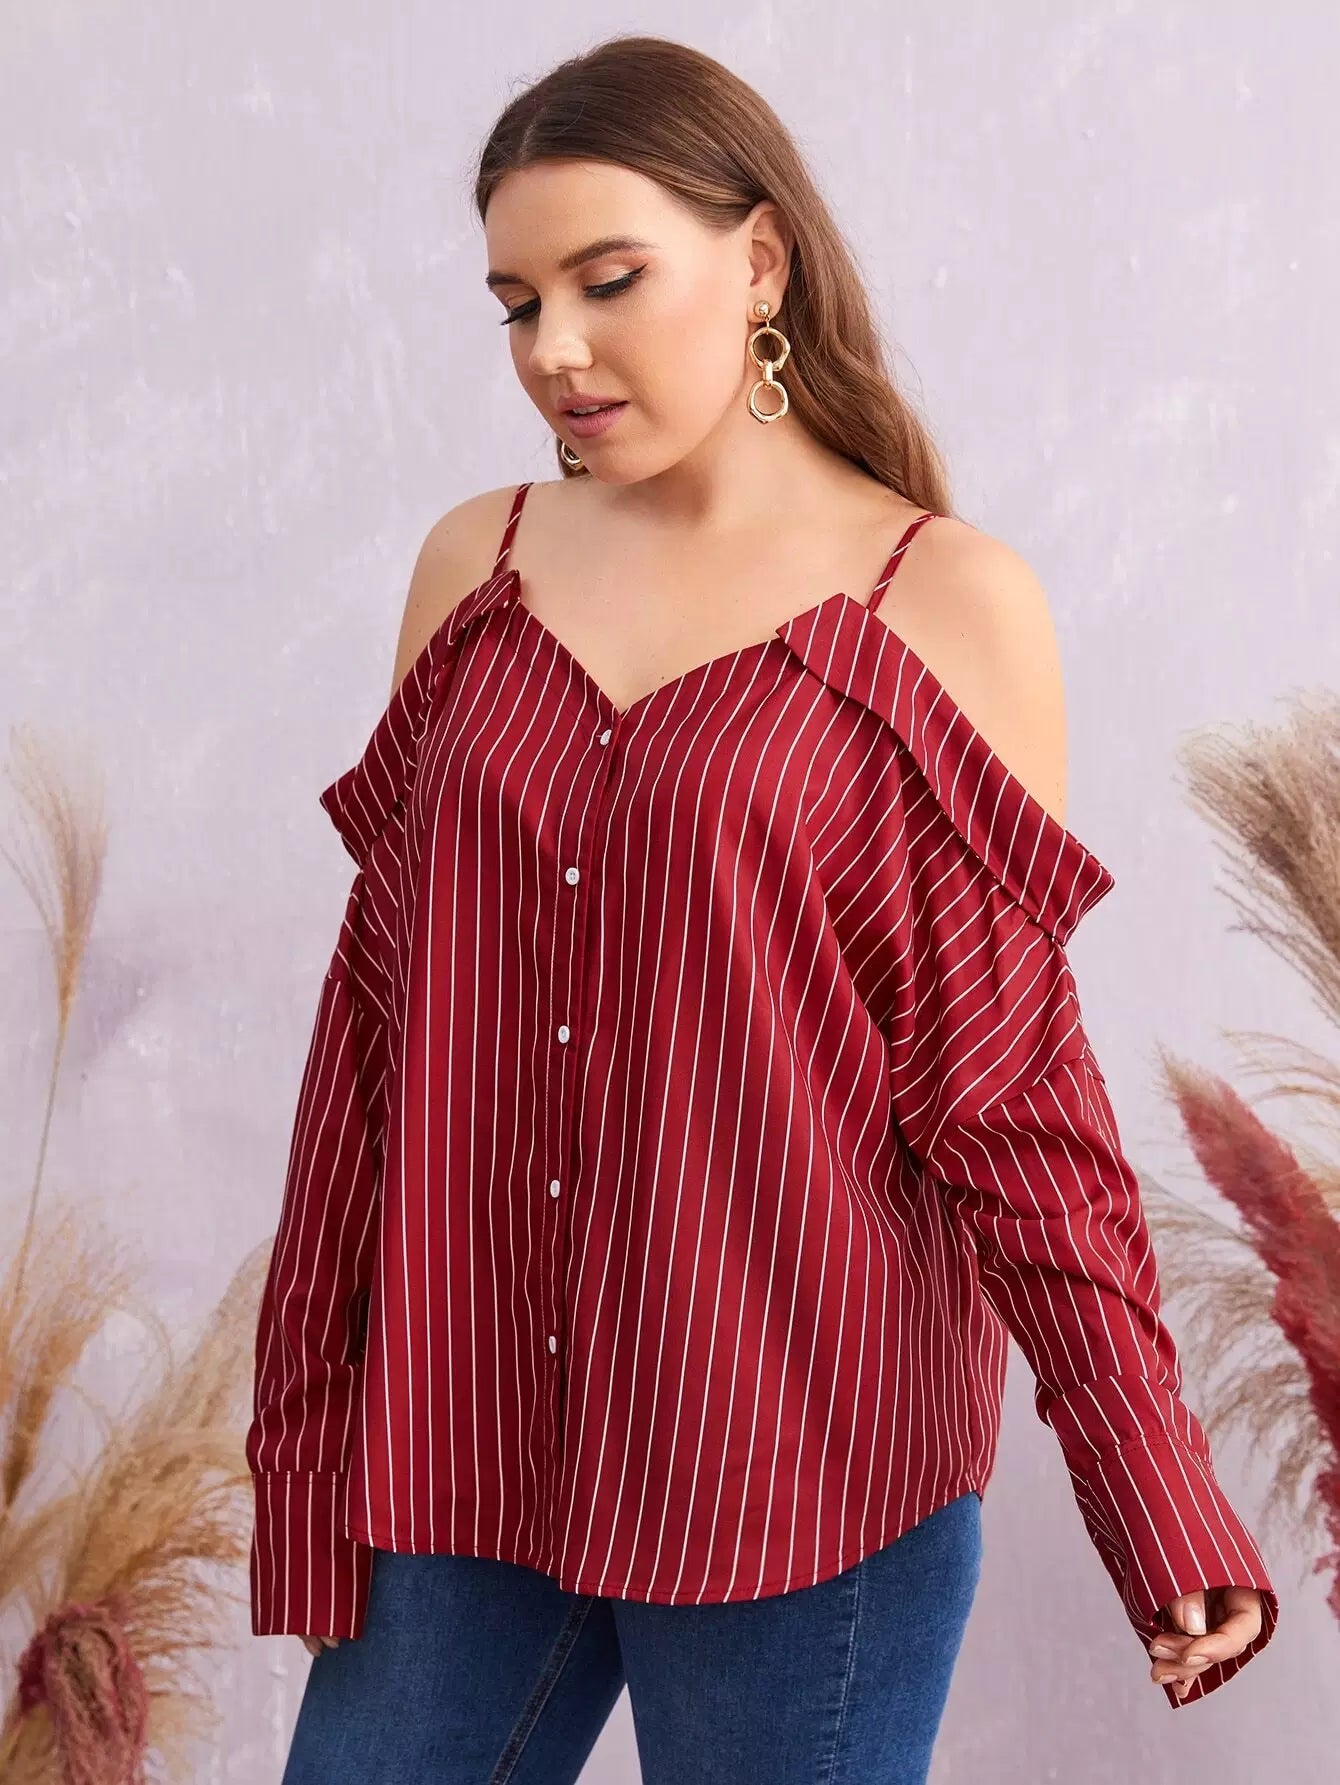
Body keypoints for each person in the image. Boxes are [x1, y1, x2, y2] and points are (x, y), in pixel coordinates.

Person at [246, 33, 1278, 1785]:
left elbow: (1011, 1096)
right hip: (471, 1437)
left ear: (761, 261)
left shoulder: (940, 603)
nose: (554, 350)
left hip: (799, 1471)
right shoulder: (475, 569)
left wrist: (1150, 1483)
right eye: (516, 303)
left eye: (608, 281)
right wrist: (312, 1424)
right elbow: (373, 1036)